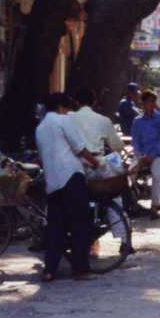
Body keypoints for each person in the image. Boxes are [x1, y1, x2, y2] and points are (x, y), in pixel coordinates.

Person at [35, 92, 100, 282]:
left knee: (56, 228)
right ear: (61, 107)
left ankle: (50, 270)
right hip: (71, 177)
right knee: (80, 223)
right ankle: (80, 269)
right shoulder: (63, 121)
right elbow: (79, 148)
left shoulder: (40, 128)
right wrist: (96, 163)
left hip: (52, 182)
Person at [131, 90, 160, 219]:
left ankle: (154, 207)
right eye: (149, 102)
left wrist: (151, 156)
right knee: (129, 174)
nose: (152, 104)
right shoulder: (137, 121)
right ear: (143, 104)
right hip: (141, 154)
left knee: (156, 175)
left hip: (157, 154)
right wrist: (140, 156)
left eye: (153, 101)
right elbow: (135, 141)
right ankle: (132, 202)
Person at [73, 88, 124, 155]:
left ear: (76, 102)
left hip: (72, 161)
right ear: (94, 102)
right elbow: (117, 146)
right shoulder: (104, 120)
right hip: (97, 161)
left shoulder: (68, 118)